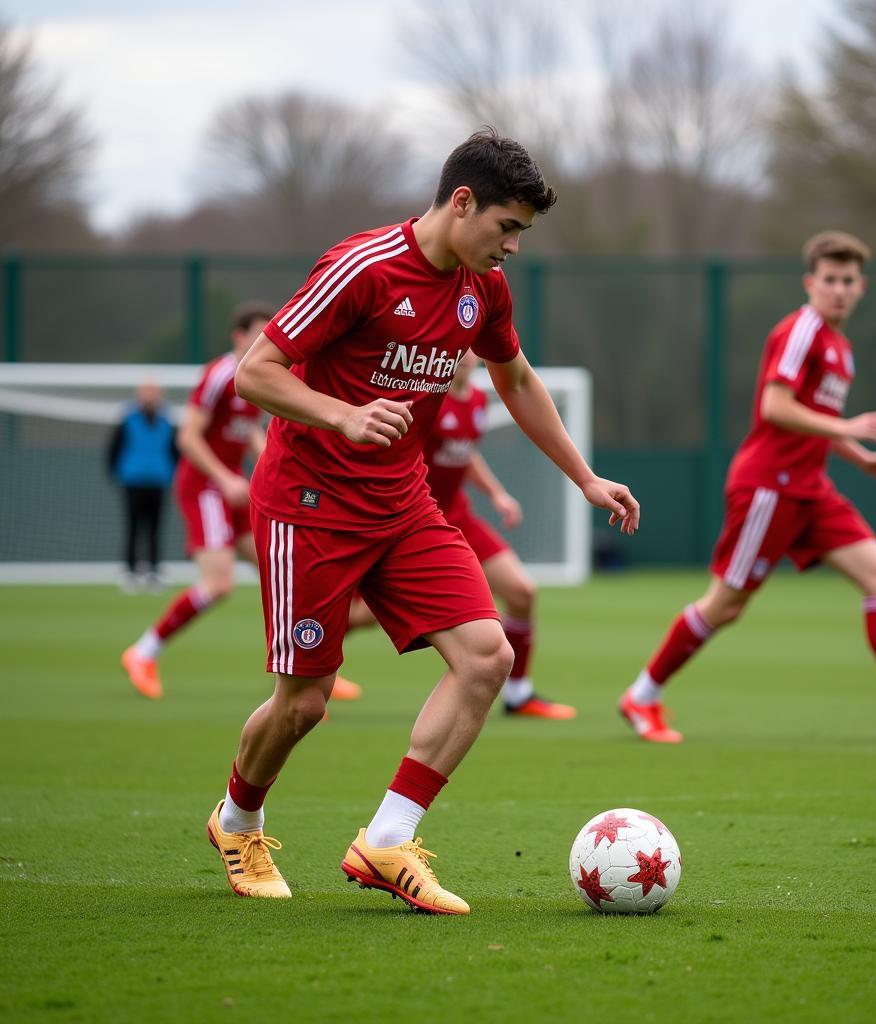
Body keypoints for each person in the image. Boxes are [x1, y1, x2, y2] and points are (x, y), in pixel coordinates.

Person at [204, 128, 639, 913]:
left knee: (485, 656)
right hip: (309, 504)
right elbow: (255, 373)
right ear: (462, 201)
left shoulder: (484, 289)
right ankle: (237, 820)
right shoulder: (362, 268)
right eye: (507, 228)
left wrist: (584, 476)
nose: (512, 248)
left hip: (403, 504)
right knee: (305, 702)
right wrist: (342, 416)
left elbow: (517, 379)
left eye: (522, 236)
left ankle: (386, 840)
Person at [619, 231, 876, 744]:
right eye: (829, 279)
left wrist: (861, 457)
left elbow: (818, 419)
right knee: (726, 604)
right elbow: (775, 408)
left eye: (848, 280)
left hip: (811, 488)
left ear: (862, 287)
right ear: (810, 283)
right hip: (768, 487)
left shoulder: (842, 350)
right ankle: (642, 695)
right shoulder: (802, 330)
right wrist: (847, 431)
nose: (839, 289)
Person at [337, 350, 576, 719]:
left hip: (459, 515)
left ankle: (518, 694)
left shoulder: (478, 399)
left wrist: (497, 493)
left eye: (471, 352)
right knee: (364, 617)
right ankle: (311, 672)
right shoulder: (427, 398)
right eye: (457, 351)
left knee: (522, 591)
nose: (464, 357)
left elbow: (464, 455)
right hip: (415, 517)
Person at [119, 303, 272, 700]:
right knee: (219, 584)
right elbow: (188, 437)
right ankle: (143, 652)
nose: (266, 340)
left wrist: (271, 465)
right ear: (238, 337)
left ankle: (304, 671)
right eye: (258, 333)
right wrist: (224, 478)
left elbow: (249, 431)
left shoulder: (257, 375)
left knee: (279, 572)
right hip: (207, 487)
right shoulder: (220, 374)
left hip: (234, 488)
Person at [106, 380, 178, 592]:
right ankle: (129, 571)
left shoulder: (166, 420)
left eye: (153, 391)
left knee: (155, 529)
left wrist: (171, 473)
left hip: (158, 481)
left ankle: (154, 571)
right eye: (146, 391)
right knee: (133, 527)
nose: (149, 396)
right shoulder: (127, 419)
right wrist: (118, 474)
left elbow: (175, 451)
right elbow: (114, 449)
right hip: (133, 481)